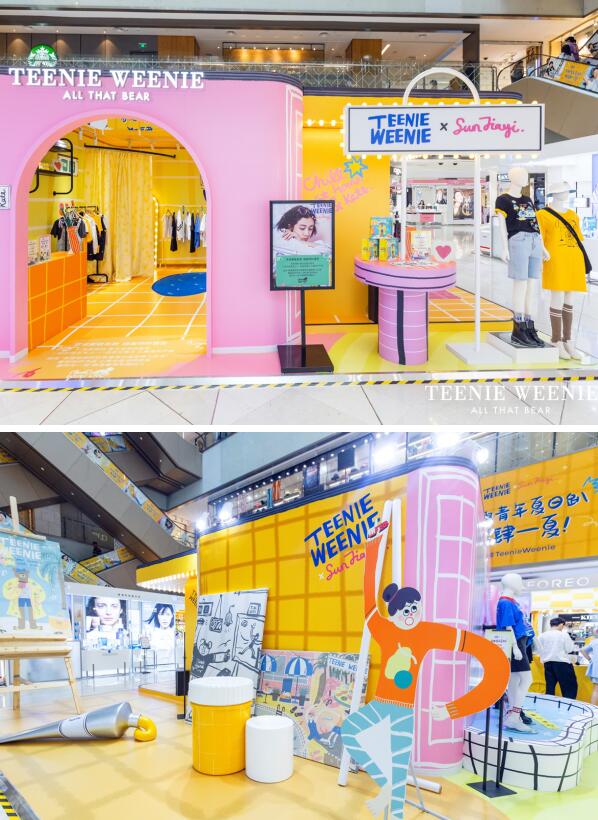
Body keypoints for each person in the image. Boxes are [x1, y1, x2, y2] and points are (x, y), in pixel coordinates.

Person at [340, 526, 510, 819]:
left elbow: (494, 661)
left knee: (398, 770)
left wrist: (455, 709)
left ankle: (393, 806)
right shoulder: (384, 629)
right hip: (380, 705)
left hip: (403, 712)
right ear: (393, 612)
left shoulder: (428, 632)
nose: (411, 614)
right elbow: (368, 601)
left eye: (415, 608)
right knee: (351, 731)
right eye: (406, 610)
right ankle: (386, 784)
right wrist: (373, 545)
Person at [535, 617, 578, 699]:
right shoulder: (563, 635)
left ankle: (549, 704)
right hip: (562, 664)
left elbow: (537, 649)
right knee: (569, 688)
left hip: (548, 664)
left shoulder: (542, 635)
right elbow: (569, 649)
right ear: (561, 624)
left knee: (550, 688)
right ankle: (568, 706)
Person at [580, 628, 598, 705]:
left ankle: (593, 709)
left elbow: (582, 650)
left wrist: (590, 660)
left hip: (596, 669)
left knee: (596, 690)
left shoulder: (594, 642)